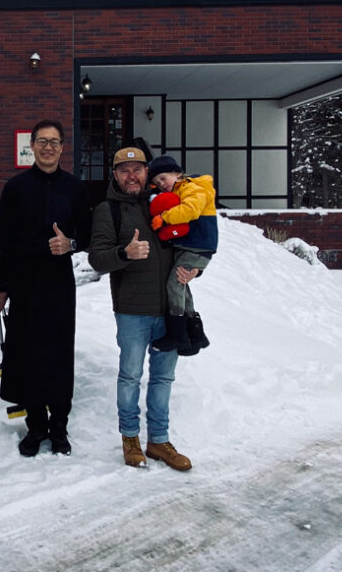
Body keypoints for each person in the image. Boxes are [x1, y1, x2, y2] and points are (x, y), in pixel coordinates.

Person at [88, 147, 194, 471]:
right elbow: (97, 258)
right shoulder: (109, 210)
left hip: (172, 308)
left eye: (138, 169)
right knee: (130, 376)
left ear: (147, 172)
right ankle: (131, 438)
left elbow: (193, 239)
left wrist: (195, 268)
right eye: (125, 170)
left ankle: (159, 441)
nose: (132, 176)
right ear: (115, 175)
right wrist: (125, 252)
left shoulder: (164, 201)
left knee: (163, 378)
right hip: (133, 311)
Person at [0, 119, 92, 456]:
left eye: (55, 142)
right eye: (42, 141)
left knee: (59, 354)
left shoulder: (75, 189)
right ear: (31, 146)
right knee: (29, 354)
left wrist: (71, 243)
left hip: (59, 283)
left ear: (63, 148)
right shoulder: (16, 188)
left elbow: (90, 234)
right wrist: (2, 285)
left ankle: (59, 428)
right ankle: (35, 427)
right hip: (24, 282)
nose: (49, 147)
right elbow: (2, 239)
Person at [146, 154, 218, 354]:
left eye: (163, 178)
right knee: (182, 287)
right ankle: (195, 335)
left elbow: (191, 211)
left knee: (174, 283)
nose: (161, 184)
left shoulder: (192, 188)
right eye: (156, 182)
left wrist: (165, 218)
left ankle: (177, 333)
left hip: (199, 247)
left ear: (177, 174)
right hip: (192, 247)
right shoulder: (180, 190)